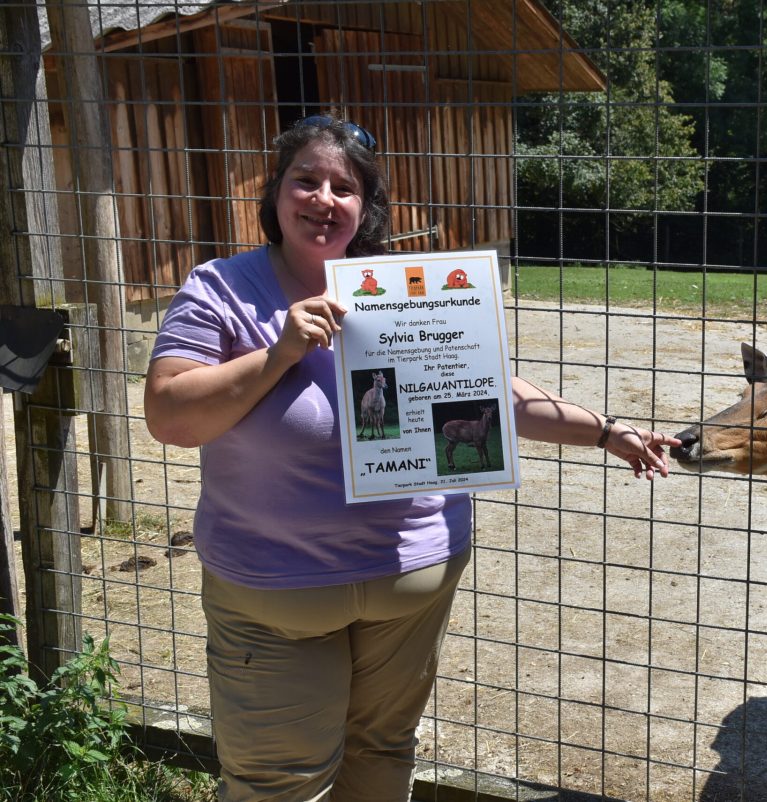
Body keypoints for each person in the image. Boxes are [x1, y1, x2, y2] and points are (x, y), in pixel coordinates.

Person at [143, 113, 680, 801]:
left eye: (344, 187)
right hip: (275, 588)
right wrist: (279, 350)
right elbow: (170, 416)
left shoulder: (399, 289)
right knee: (275, 785)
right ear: (276, 194)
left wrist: (608, 432)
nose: (324, 199)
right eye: (306, 181)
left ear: (364, 208)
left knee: (381, 761)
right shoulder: (221, 289)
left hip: (412, 580)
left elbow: (488, 396)